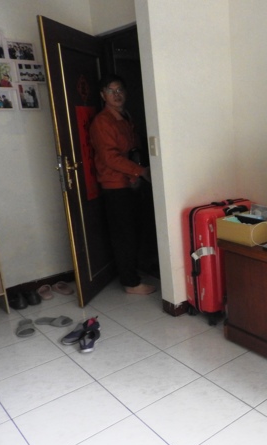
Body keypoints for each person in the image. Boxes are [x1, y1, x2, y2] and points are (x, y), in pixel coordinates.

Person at [89, 74, 156, 295]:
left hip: (131, 183)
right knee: (124, 236)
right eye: (111, 91)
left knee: (135, 231)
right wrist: (141, 171)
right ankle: (130, 283)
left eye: (119, 90)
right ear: (103, 95)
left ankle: (134, 272)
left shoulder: (125, 116)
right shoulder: (103, 121)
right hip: (116, 186)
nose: (116, 94)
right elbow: (110, 158)